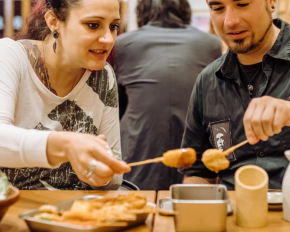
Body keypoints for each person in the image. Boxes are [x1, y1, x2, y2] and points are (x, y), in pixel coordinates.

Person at [181, 0, 290, 190]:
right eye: (218, 8)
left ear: (271, 2)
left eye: (242, 4)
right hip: (234, 215)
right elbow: (198, 174)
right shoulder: (207, 81)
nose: (229, 21)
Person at [0, 0, 131, 190]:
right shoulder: (10, 56)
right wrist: (66, 145)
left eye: (113, 27)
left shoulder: (103, 75)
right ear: (53, 21)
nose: (108, 39)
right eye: (93, 25)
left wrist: (100, 173)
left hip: (71, 214)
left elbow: (113, 179)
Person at [114, 0, 222, 190]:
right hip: (196, 162)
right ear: (185, 10)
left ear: (141, 12)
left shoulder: (123, 44)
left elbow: (117, 109)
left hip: (138, 160)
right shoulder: (211, 44)